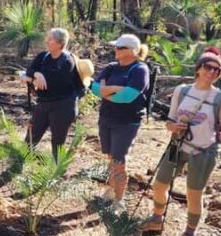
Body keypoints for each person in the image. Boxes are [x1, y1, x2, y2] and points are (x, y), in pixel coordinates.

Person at [138, 47, 221, 236]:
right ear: (198, 68)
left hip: (203, 151)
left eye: (217, 70)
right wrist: (173, 128)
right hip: (177, 145)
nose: (212, 72)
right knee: (159, 184)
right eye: (209, 67)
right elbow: (170, 121)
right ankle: (157, 218)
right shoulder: (182, 91)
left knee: (193, 195)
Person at [90, 33, 149, 211]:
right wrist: (114, 89)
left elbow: (127, 97)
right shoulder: (111, 67)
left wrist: (106, 91)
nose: (115, 50)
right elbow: (94, 89)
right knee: (110, 157)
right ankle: (110, 191)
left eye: (120, 48)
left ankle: (118, 200)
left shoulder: (139, 70)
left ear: (132, 51)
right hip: (106, 118)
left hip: (126, 123)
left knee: (119, 161)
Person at [23, 28, 88, 160]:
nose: (47, 41)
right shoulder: (43, 56)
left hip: (63, 106)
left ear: (60, 43)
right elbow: (29, 70)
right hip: (43, 103)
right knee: (30, 137)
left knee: (57, 143)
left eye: (50, 39)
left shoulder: (67, 61)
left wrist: (34, 77)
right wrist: (37, 74)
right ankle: (19, 165)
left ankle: (55, 173)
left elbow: (52, 81)